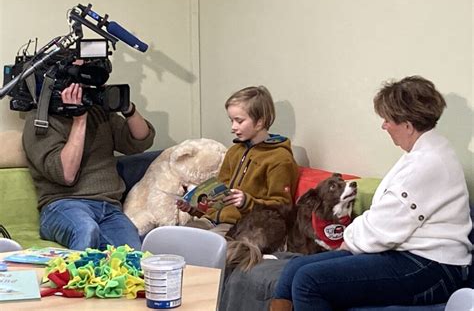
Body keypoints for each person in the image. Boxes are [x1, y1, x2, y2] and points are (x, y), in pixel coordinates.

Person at [271, 76, 472, 311]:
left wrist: (348, 241)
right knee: (293, 270)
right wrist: (352, 239)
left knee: (308, 281)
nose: (384, 126)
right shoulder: (424, 153)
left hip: (433, 268)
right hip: (408, 254)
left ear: (407, 125)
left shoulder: (427, 164)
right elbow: (384, 216)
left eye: (387, 120)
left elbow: (384, 228)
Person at [22, 82, 155, 251]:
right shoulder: (40, 119)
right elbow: (66, 174)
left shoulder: (99, 112)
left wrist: (128, 108)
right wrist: (79, 119)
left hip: (109, 207)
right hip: (63, 206)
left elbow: (141, 141)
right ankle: (77, 277)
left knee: (133, 254)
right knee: (86, 229)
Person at [176, 85, 299, 236]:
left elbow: (283, 208)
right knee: (172, 238)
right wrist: (193, 207)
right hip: (211, 220)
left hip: (242, 226)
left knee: (204, 245)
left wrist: (247, 202)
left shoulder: (280, 159)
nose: (233, 127)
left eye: (239, 121)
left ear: (260, 122)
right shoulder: (234, 152)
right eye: (231, 120)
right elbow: (218, 197)